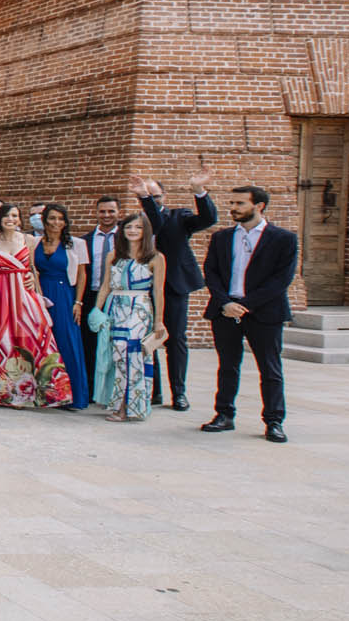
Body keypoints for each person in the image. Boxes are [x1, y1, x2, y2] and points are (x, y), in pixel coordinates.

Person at [201, 185, 297, 443]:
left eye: (240, 203)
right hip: (225, 310)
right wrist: (225, 303)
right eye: (232, 203)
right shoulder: (221, 237)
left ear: (259, 206)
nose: (233, 208)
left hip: (264, 312)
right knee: (227, 366)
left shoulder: (283, 239)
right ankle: (224, 414)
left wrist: (245, 304)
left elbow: (281, 280)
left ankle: (274, 421)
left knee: (270, 368)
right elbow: (211, 272)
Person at [0, 204, 74, 409]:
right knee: (0, 339)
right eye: (7, 215)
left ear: (20, 219)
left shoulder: (28, 240)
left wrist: (37, 291)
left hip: (24, 294)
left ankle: (41, 392)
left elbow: (33, 269)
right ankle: (0, 393)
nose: (11, 219)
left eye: (15, 215)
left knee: (32, 337)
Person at [138, 168, 217, 411]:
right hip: (142, 288)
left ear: (163, 196)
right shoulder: (136, 224)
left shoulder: (178, 217)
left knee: (175, 340)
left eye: (156, 196)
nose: (153, 201)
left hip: (173, 286)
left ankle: (179, 393)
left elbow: (208, 219)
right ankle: (153, 390)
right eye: (148, 196)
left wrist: (199, 191)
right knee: (145, 340)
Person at [93, 213, 166, 422]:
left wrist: (159, 320)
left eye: (138, 227)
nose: (132, 231)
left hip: (140, 309)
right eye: (128, 227)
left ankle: (129, 406)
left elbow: (158, 292)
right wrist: (96, 311)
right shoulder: (114, 255)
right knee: (117, 356)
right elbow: (106, 285)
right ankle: (118, 403)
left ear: (145, 232)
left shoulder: (155, 258)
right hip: (115, 308)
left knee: (133, 355)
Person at [33, 203, 90, 409]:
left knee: (67, 341)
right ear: (44, 220)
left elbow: (82, 275)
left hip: (65, 293)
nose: (56, 222)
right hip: (40, 293)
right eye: (52, 218)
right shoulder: (35, 242)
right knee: (44, 342)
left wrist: (78, 302)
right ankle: (47, 394)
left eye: (60, 219)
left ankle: (74, 396)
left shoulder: (76, 244)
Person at [79, 193, 123, 403]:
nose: (106, 215)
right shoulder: (85, 240)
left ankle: (114, 391)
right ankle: (89, 389)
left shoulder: (126, 238)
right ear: (96, 213)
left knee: (116, 343)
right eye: (102, 211)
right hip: (91, 295)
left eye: (111, 211)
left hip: (118, 297)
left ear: (118, 213)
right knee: (89, 343)